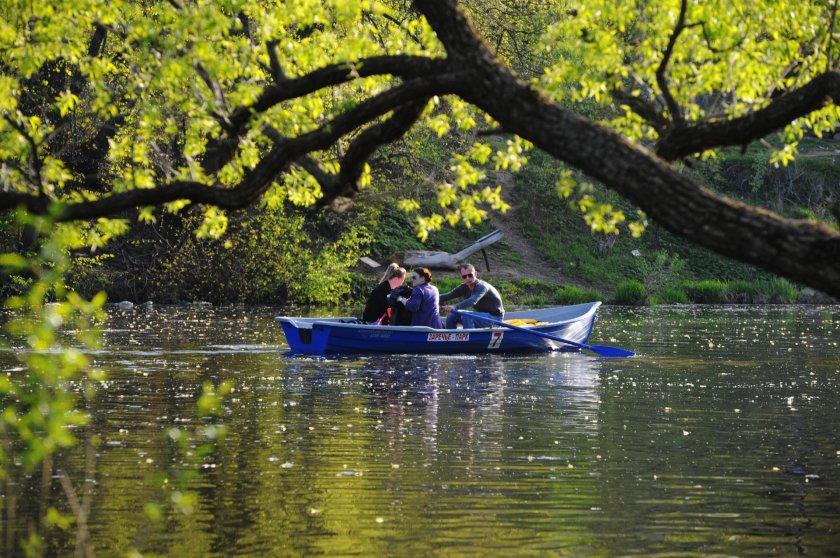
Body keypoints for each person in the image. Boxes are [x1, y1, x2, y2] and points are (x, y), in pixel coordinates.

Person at [440, 263, 504, 329]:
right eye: (464, 276)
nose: (467, 278)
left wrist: (455, 306)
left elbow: (472, 300)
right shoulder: (464, 287)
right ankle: (449, 337)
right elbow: (447, 296)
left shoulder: (482, 287)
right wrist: (431, 296)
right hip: (482, 316)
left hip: (495, 318)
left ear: (475, 274)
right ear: (461, 277)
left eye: (470, 275)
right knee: (452, 315)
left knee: (467, 317)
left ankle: (469, 337)